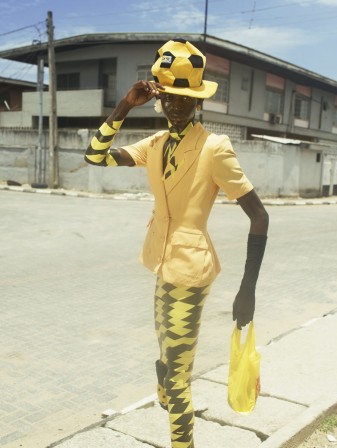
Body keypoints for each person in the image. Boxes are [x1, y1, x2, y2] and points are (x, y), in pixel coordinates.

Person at [85, 39, 269, 448]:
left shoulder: (214, 147)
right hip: (161, 263)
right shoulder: (154, 146)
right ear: (161, 96)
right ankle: (167, 392)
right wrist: (123, 107)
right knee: (166, 358)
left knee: (178, 376)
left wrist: (247, 290)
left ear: (198, 101)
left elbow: (259, 216)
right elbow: (94, 157)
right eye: (170, 96)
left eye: (186, 98)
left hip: (190, 271)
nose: (177, 105)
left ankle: (180, 435)